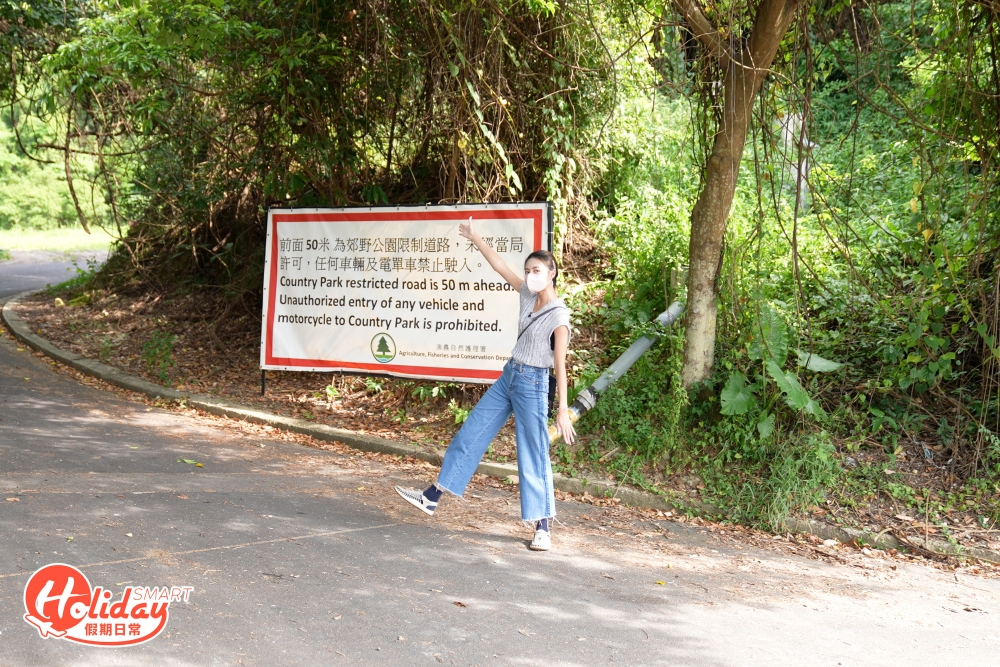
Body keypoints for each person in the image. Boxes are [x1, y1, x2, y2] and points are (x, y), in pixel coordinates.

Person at [395, 219, 574, 551]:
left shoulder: (558, 317)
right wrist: (475, 237)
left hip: (535, 383)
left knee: (532, 452)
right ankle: (432, 495)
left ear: (552, 273)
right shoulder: (526, 295)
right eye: (529, 270)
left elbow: (560, 365)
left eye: (537, 270)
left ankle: (543, 526)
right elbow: (500, 266)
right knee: (472, 431)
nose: (531, 274)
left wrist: (562, 409)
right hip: (510, 376)